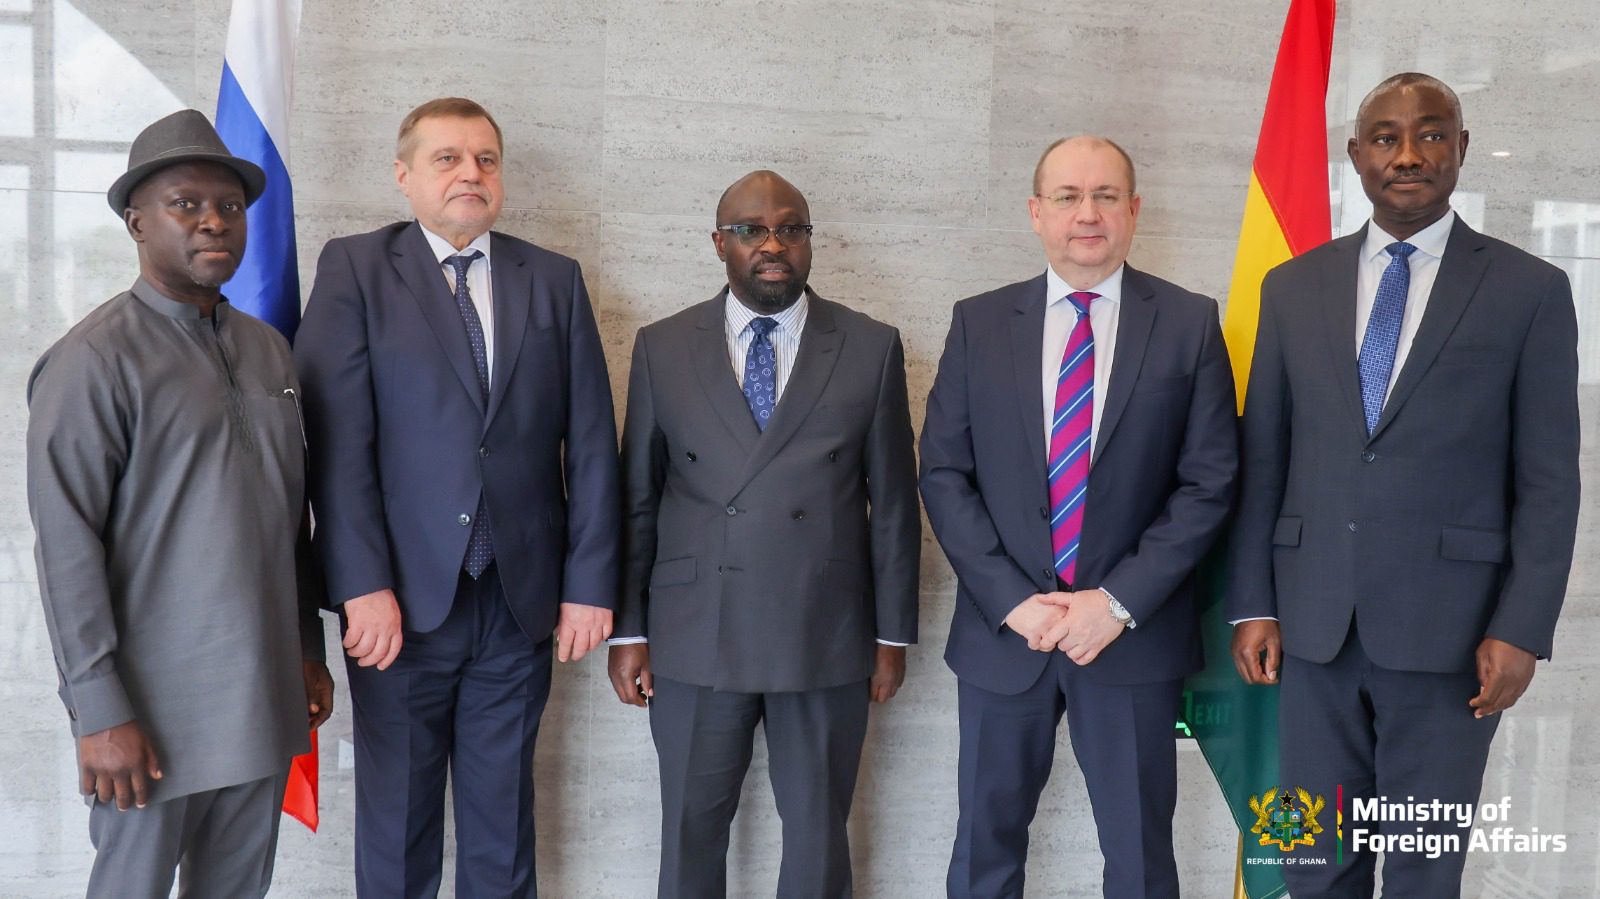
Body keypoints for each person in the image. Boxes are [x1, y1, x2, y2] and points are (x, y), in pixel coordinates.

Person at [1228, 72, 1580, 897]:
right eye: (1386, 138)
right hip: (1311, 636)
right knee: (1309, 858)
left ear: (1461, 147)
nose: (1409, 154)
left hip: (1452, 640)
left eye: (1431, 134)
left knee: (1425, 869)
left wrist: (1522, 627)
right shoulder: (1292, 287)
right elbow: (1264, 459)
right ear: (1356, 156)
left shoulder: (1530, 291)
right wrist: (1252, 603)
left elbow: (1549, 479)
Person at [294, 97, 621, 898]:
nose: (470, 173)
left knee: (502, 832)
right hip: (398, 610)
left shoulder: (554, 280)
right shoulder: (356, 269)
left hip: (518, 603)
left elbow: (590, 443)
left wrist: (588, 584)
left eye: (485, 159)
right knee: (398, 829)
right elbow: (334, 445)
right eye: (447, 158)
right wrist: (361, 583)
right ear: (403, 175)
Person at [920, 136, 1237, 898]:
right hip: (1005, 636)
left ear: (1134, 210)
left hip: (1132, 639)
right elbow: (944, 472)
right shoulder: (979, 322)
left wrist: (1116, 602)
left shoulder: (1189, 323)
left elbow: (1209, 482)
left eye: (1105, 196)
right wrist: (1013, 600)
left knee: (1139, 860)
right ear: (1037, 212)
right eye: (1067, 196)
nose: (1086, 213)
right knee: (983, 851)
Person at [26, 108, 332, 898]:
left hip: (262, 698)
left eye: (229, 206)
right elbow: (66, 546)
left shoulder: (269, 350)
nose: (213, 221)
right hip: (148, 716)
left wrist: (306, 646)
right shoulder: (92, 360)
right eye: (185, 204)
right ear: (137, 223)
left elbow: (289, 515)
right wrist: (99, 710)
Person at [607, 170, 920, 898]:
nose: (772, 244)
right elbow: (637, 500)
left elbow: (894, 505)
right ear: (720, 243)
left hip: (825, 631)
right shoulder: (662, 346)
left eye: (791, 229)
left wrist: (892, 636)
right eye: (751, 230)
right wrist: (629, 630)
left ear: (809, 242)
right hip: (693, 630)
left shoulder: (870, 346)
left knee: (817, 838)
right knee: (689, 833)